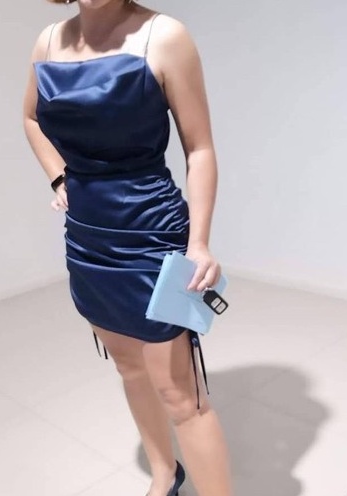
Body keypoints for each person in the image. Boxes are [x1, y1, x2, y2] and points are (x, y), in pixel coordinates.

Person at [23, 1, 233, 495]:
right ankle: (165, 474)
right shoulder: (48, 41)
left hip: (150, 234)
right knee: (128, 367)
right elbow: (30, 117)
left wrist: (199, 242)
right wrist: (59, 176)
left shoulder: (164, 36)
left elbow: (200, 147)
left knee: (180, 394)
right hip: (88, 236)